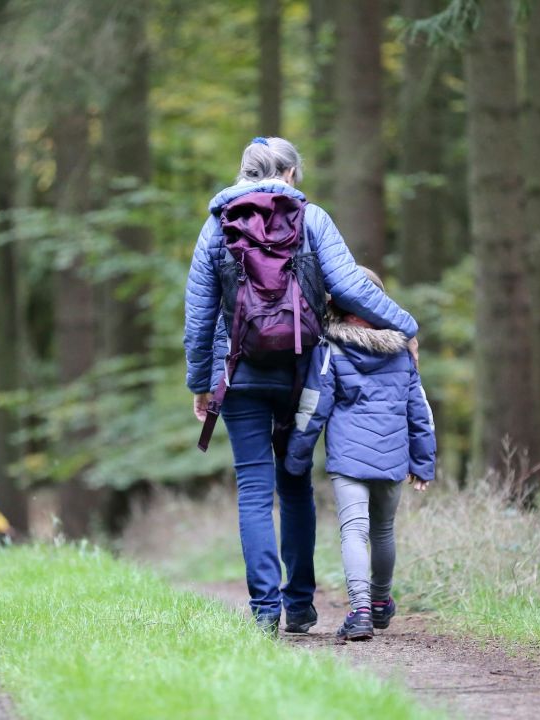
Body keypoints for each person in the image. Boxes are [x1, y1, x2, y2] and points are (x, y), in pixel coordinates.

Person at [184, 137, 419, 635]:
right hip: (302, 373)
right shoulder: (313, 219)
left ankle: (265, 611)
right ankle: (301, 606)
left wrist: (201, 383)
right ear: (290, 173)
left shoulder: (216, 226)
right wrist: (406, 326)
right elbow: (352, 286)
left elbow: (199, 315)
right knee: (294, 484)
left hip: (240, 373)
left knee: (252, 488)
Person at [284, 267, 436, 642]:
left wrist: (296, 456)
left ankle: (361, 611)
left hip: (349, 459)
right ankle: (382, 603)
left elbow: (313, 406)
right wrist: (423, 461)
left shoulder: (331, 348)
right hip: (393, 456)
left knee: (354, 531)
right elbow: (420, 411)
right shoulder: (402, 351)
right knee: (383, 530)